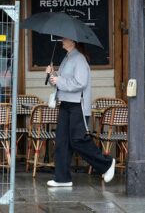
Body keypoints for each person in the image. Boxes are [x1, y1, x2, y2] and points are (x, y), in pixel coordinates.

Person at [45, 38, 115, 187]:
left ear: (73, 42)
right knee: (62, 142)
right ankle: (62, 178)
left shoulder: (80, 59)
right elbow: (61, 82)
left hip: (78, 105)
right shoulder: (67, 58)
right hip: (65, 104)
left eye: (65, 39)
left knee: (77, 140)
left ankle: (107, 164)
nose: (61, 41)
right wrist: (52, 75)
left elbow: (80, 83)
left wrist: (59, 80)